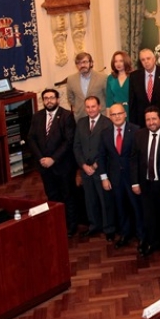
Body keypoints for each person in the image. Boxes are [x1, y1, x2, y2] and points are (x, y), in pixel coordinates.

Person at [27, 88, 77, 236]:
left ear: (58, 99)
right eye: (46, 98)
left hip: (63, 166)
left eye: (51, 98)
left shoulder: (66, 116)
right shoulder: (37, 116)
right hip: (44, 167)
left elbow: (68, 141)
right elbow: (31, 138)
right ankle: (56, 222)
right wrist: (41, 158)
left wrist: (53, 159)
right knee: (52, 196)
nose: (49, 101)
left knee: (68, 196)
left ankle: (70, 226)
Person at [130, 106, 160, 257]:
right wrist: (135, 182)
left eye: (154, 118)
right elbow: (134, 159)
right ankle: (152, 242)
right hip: (145, 183)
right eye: (148, 119)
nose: (151, 122)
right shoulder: (139, 135)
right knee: (149, 216)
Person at [98, 103, 142, 249]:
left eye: (119, 114)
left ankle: (142, 236)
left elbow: (139, 157)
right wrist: (104, 177)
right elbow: (102, 157)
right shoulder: (105, 133)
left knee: (137, 207)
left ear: (125, 114)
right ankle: (125, 234)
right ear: (110, 117)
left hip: (132, 178)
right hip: (114, 178)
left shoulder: (136, 130)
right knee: (120, 207)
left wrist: (138, 179)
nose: (117, 117)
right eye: (113, 114)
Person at [73, 96, 115, 240]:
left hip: (101, 169)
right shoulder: (81, 123)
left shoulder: (107, 123)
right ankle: (93, 226)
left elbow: (108, 149)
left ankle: (109, 228)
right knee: (90, 200)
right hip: (86, 170)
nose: (91, 109)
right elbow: (76, 146)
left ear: (99, 106)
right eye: (88, 107)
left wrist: (95, 165)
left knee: (105, 200)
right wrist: (84, 166)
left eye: (93, 106)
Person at [129, 48, 160, 126]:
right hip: (141, 121)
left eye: (148, 58)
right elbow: (132, 102)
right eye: (143, 60)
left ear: (154, 59)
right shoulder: (134, 76)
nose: (146, 62)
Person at [66, 52, 107, 120]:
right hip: (81, 117)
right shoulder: (71, 79)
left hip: (100, 116)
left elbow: (107, 97)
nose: (82, 65)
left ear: (91, 63)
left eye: (84, 62)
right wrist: (79, 106)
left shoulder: (103, 78)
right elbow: (70, 98)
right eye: (79, 63)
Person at [106, 51, 133, 116]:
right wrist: (108, 115)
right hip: (115, 112)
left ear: (126, 61)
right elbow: (109, 98)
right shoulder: (110, 78)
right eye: (116, 61)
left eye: (121, 61)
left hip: (131, 110)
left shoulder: (133, 76)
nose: (118, 64)